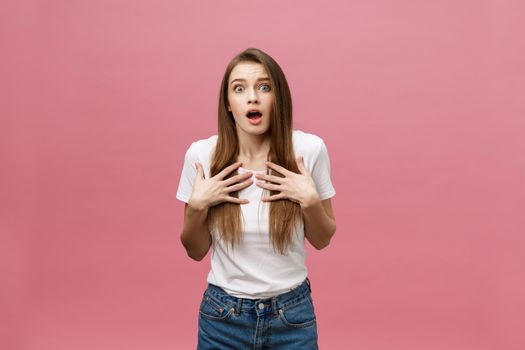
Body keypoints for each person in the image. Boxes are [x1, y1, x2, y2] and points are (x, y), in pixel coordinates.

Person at [176, 47, 336, 349]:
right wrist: (197, 207)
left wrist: (310, 201)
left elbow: (323, 238)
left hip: (292, 316)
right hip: (222, 318)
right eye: (240, 88)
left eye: (264, 87)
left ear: (279, 97)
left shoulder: (309, 150)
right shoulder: (201, 156)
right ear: (228, 103)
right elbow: (195, 250)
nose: (253, 97)